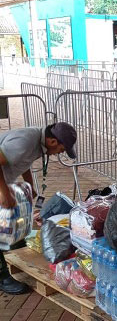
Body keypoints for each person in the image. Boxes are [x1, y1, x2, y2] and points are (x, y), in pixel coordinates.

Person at [0, 122, 77, 294]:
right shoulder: (25, 142)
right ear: (52, 142)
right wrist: (4, 192)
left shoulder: (36, 143)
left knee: (15, 216)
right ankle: (2, 277)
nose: (60, 153)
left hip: (4, 179)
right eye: (62, 150)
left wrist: (29, 184)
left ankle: (17, 253)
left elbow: (23, 161)